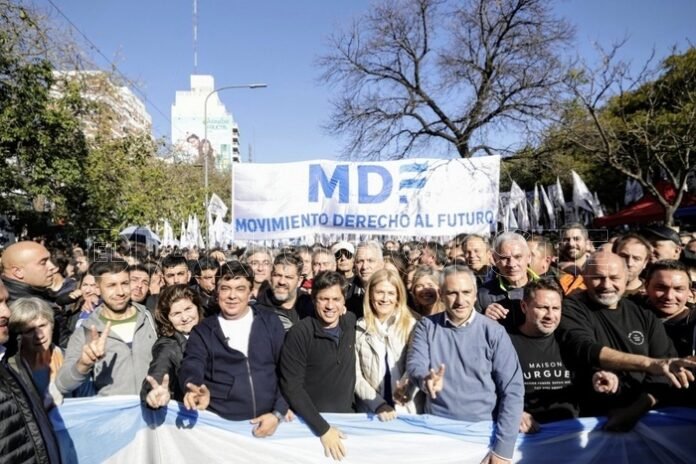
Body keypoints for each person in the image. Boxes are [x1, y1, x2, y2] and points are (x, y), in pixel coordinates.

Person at [555, 252, 695, 430]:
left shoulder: (644, 315)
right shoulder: (570, 308)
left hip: (644, 422)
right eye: (598, 277)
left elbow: (664, 372)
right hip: (588, 422)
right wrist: (649, 364)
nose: (606, 285)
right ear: (584, 277)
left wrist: (635, 411)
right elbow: (583, 347)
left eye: (614, 278)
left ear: (627, 278)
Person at [406, 265, 524, 463]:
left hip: (483, 436)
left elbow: (512, 390)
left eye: (466, 292)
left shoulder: (494, 332)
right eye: (452, 293)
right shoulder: (426, 327)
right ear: (441, 294)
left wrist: (502, 450)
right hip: (436, 434)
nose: (460, 301)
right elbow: (415, 364)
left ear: (475, 294)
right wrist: (425, 379)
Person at [179, 261, 288, 436]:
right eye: (225, 288)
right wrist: (193, 387)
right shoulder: (203, 331)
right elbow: (192, 363)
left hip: (271, 423)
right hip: (223, 430)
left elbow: (287, 371)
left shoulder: (270, 322)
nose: (232, 296)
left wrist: (278, 412)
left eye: (240, 289)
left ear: (250, 292)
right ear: (217, 292)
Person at [280, 271, 356, 461]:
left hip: (349, 423)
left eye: (336, 299)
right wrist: (323, 429)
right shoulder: (299, 334)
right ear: (314, 300)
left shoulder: (351, 323)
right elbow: (292, 387)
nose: (330, 306)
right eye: (324, 299)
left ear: (344, 300)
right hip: (311, 428)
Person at [56, 260, 157, 396]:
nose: (120, 292)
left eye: (125, 283)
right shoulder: (86, 331)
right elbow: (62, 385)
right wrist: (83, 365)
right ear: (97, 289)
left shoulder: (150, 319)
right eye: (111, 285)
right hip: (112, 409)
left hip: (155, 406)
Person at [0, 282, 62, 464]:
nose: (7, 312)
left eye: (6, 302)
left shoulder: (10, 362)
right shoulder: (14, 362)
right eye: (28, 330)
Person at [507, 279, 578, 433]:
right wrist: (513, 412)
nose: (550, 315)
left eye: (556, 308)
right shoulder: (505, 343)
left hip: (572, 434)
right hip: (527, 435)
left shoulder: (571, 341)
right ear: (524, 307)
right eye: (542, 308)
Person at [355, 269, 419, 419]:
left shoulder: (412, 325)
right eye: (379, 292)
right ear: (370, 294)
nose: (385, 298)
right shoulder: (359, 328)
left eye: (390, 293)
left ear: (398, 296)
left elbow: (415, 366)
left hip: (407, 410)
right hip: (371, 412)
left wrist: (405, 391)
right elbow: (355, 375)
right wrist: (378, 404)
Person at [141, 285, 203, 408]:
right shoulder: (167, 345)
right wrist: (154, 392)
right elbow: (159, 370)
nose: (184, 318)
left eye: (188, 309)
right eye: (176, 314)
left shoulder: (211, 333)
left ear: (197, 307)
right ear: (167, 318)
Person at [8, 297, 65, 407]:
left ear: (52, 325)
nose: (39, 335)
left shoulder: (67, 359)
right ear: (18, 335)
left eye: (42, 326)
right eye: (29, 330)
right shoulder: (11, 370)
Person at [477, 232, 536, 332]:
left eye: (517, 257)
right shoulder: (482, 294)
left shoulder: (548, 288)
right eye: (504, 258)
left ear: (529, 257)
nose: (512, 264)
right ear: (495, 260)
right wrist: (484, 320)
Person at [642, 260, 696, 357]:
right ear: (646, 286)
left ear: (689, 292)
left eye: (678, 289)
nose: (669, 296)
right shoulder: (630, 315)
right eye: (661, 287)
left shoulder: (693, 323)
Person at [346, 241, 385, 319]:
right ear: (355, 265)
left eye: (370, 261)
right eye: (360, 261)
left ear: (381, 264)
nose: (364, 267)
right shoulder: (345, 292)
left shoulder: (391, 290)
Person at [557, 223, 589, 295]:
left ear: (587, 243)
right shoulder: (554, 271)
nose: (571, 244)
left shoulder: (596, 268)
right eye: (566, 240)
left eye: (576, 239)